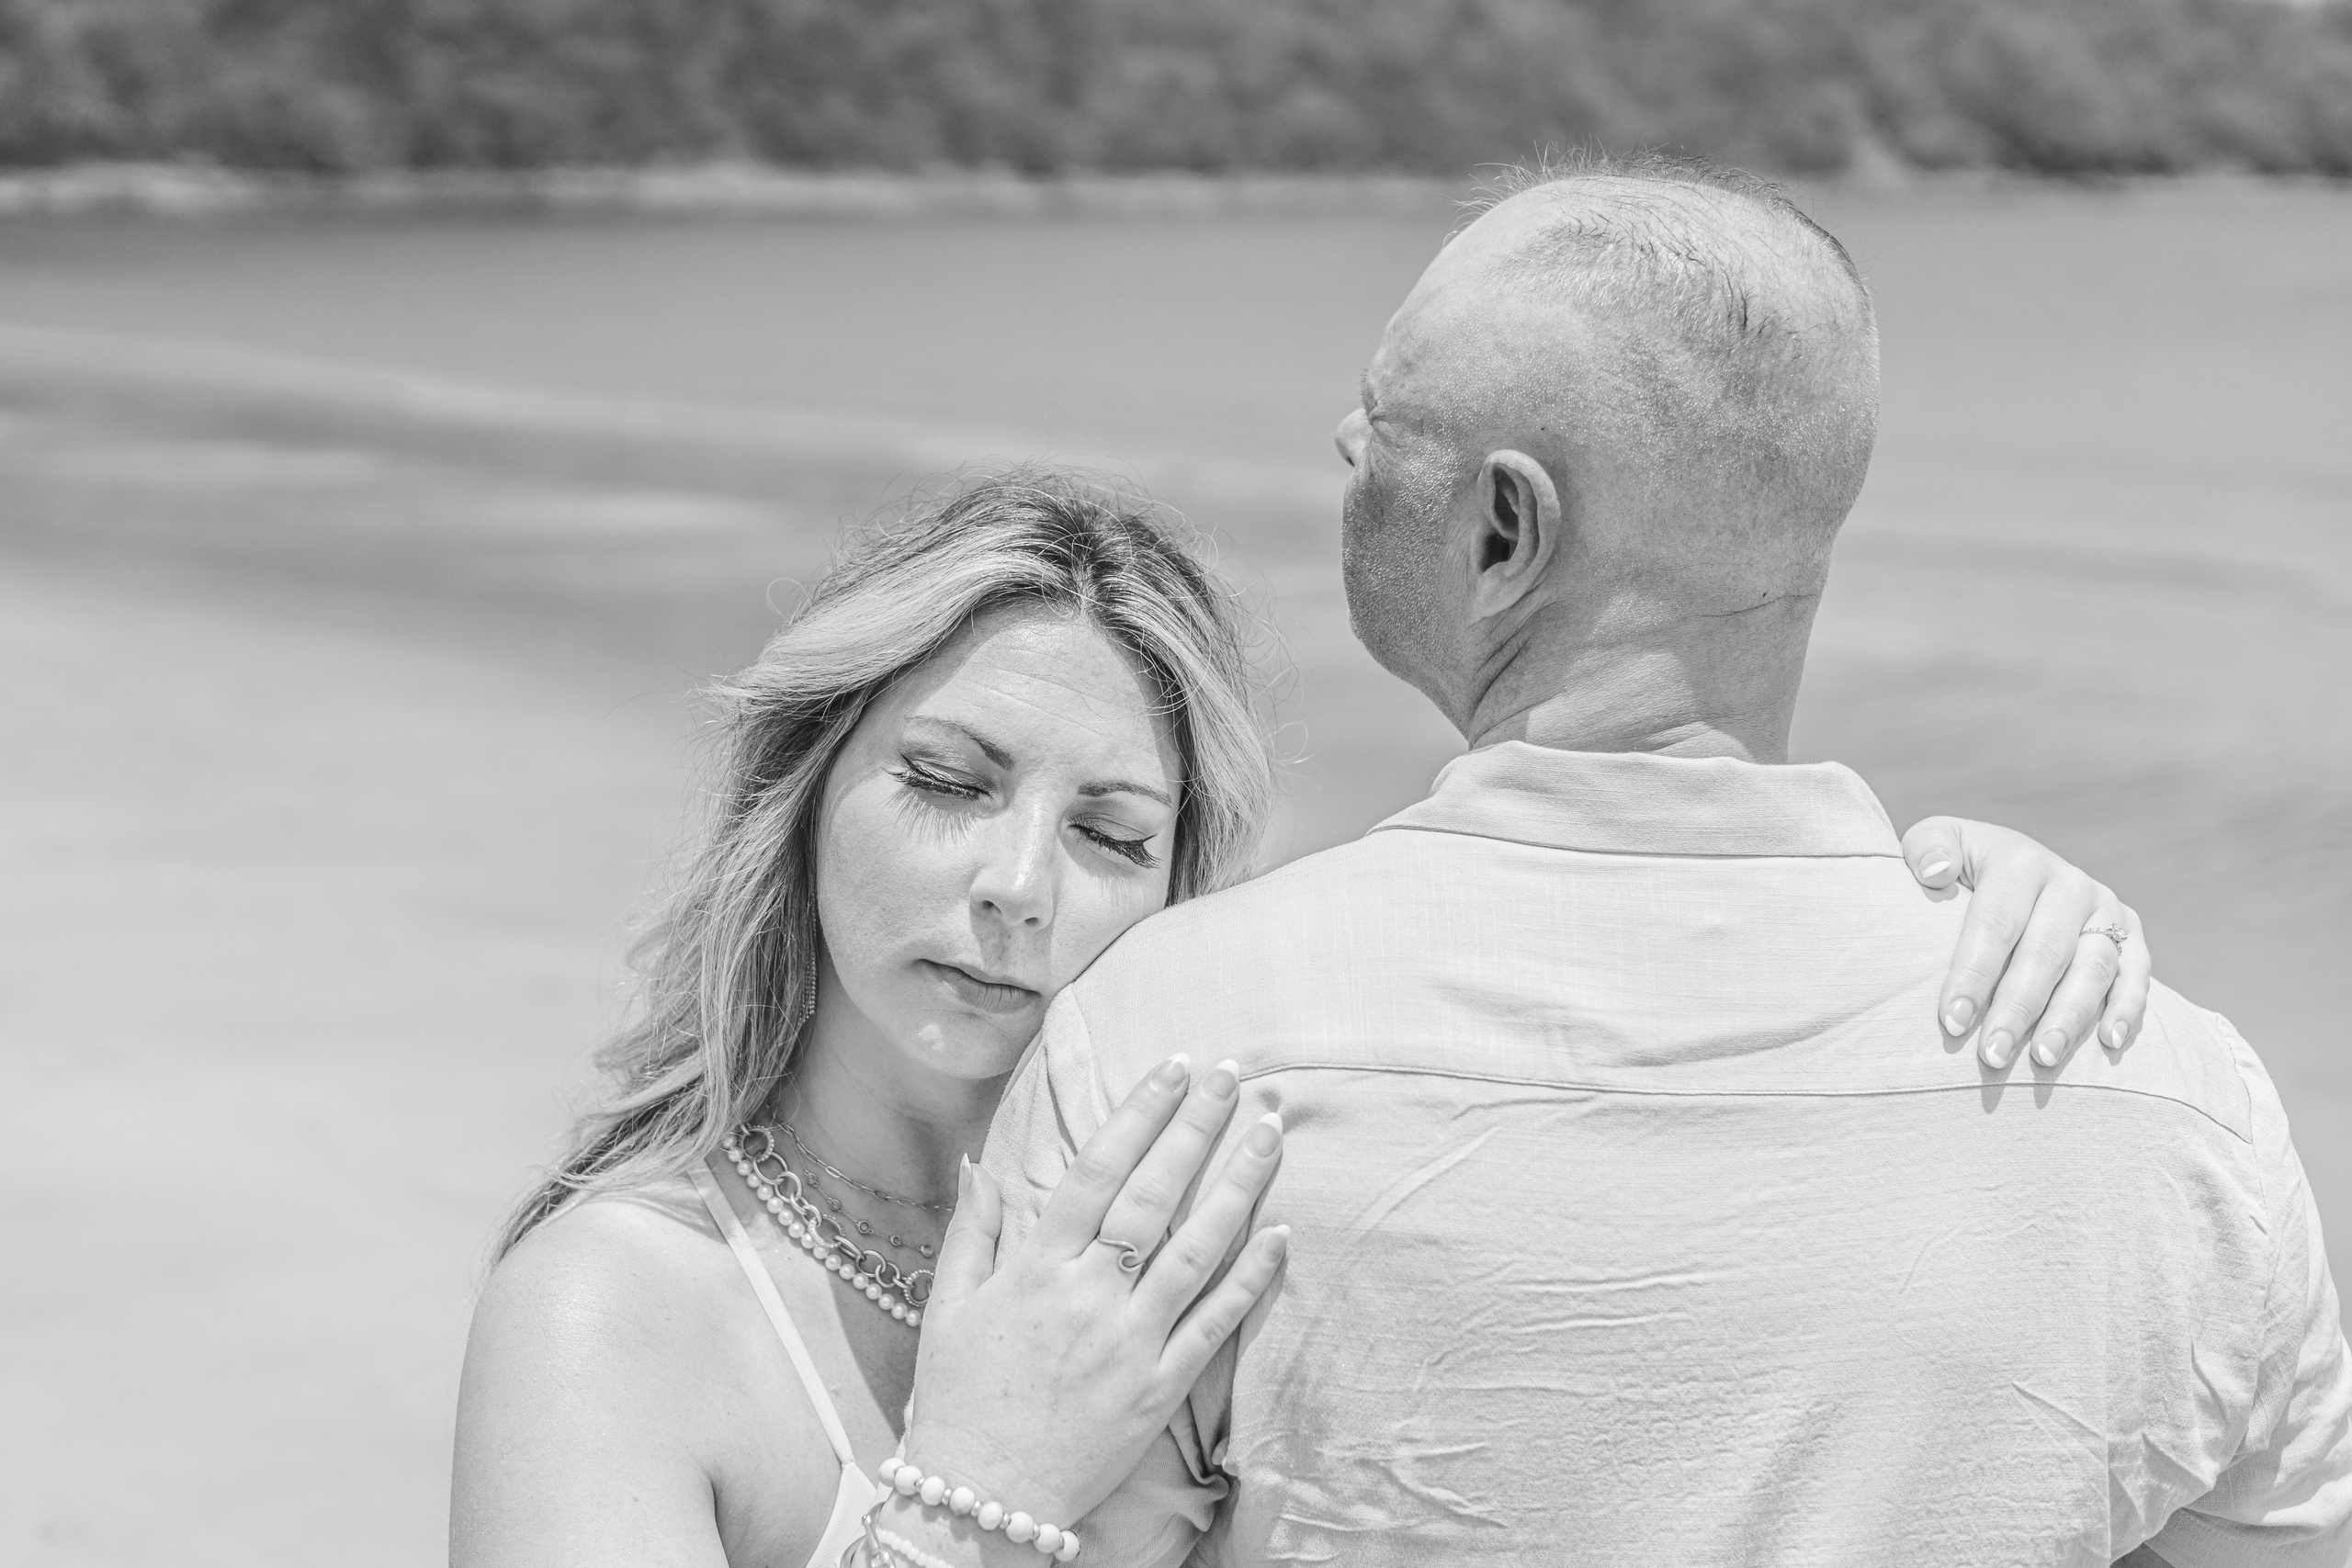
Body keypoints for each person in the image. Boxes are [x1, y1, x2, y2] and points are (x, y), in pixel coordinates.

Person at [892, 160, 2352, 1565]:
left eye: (1387, 417)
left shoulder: (1171, 1056)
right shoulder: (2173, 1106)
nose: (1347, 442)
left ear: (1508, 528)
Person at [450, 468, 2152, 1568]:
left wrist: (1948, 912)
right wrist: (977, 1489)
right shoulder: (614, 1306)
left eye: (1111, 833)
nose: (1020, 887)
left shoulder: (1239, 1199)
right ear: (807, 794)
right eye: (950, 784)